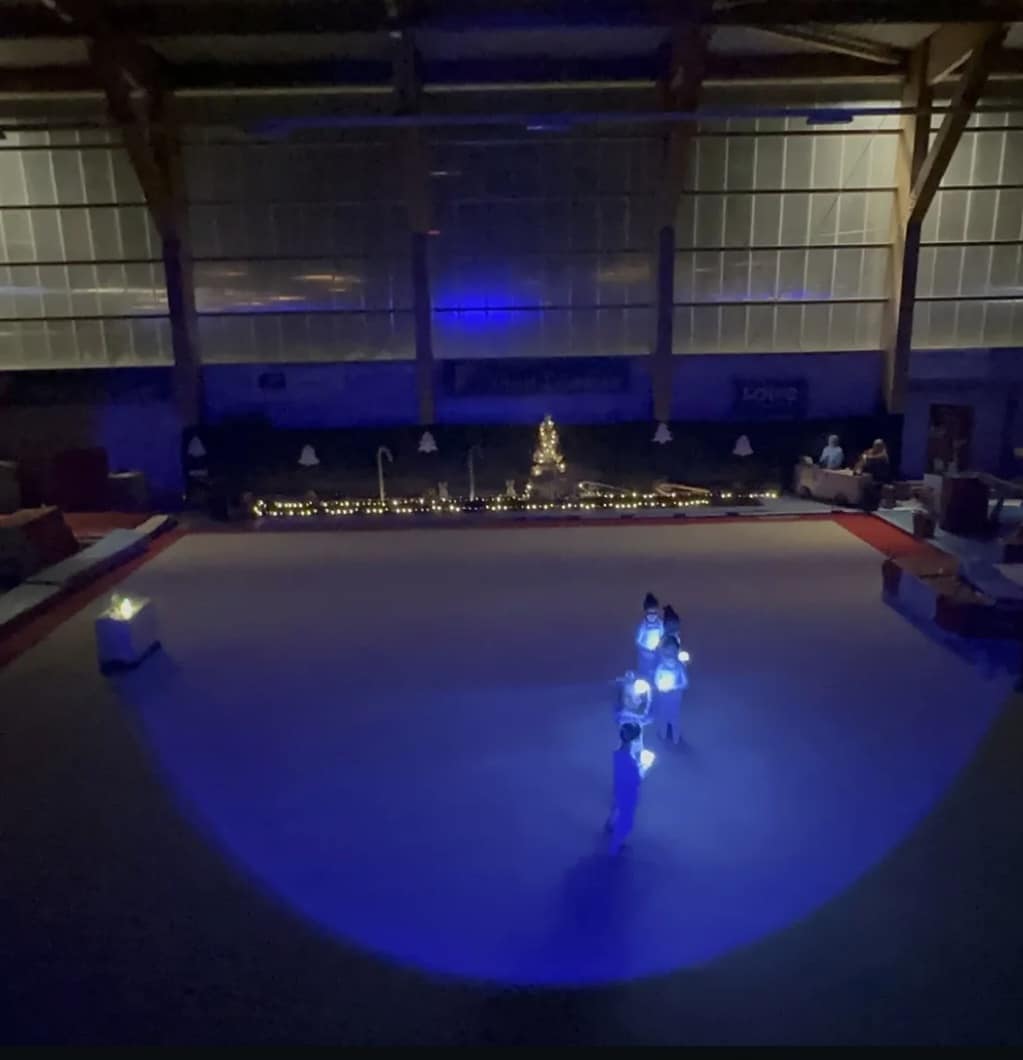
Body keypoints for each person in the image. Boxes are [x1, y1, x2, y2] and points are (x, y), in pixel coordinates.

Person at [605, 722, 653, 855]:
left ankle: (610, 824)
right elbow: (637, 779)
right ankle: (617, 844)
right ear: (635, 739)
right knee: (626, 818)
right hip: (629, 791)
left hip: (618, 786)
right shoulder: (629, 760)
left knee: (616, 806)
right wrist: (646, 765)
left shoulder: (618, 752)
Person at [653, 634, 688, 745]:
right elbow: (656, 681)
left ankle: (676, 737)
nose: (669, 656)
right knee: (663, 715)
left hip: (675, 697)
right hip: (663, 696)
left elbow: (685, 683)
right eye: (666, 653)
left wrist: (674, 687)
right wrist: (660, 687)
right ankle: (663, 735)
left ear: (676, 652)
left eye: (672, 652)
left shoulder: (679, 668)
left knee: (674, 716)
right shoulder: (660, 667)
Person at [614, 671, 653, 760]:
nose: (636, 700)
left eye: (636, 696)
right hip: (628, 751)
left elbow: (647, 718)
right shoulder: (623, 716)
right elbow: (640, 719)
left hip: (637, 749)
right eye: (628, 697)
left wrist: (648, 693)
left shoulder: (635, 716)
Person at [635, 591, 663, 677]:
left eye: (654, 613)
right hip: (645, 654)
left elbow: (663, 636)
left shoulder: (660, 623)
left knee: (658, 669)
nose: (652, 616)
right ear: (645, 612)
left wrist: (659, 647)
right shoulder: (643, 625)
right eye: (649, 613)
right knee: (645, 671)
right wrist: (645, 651)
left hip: (657, 652)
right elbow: (638, 641)